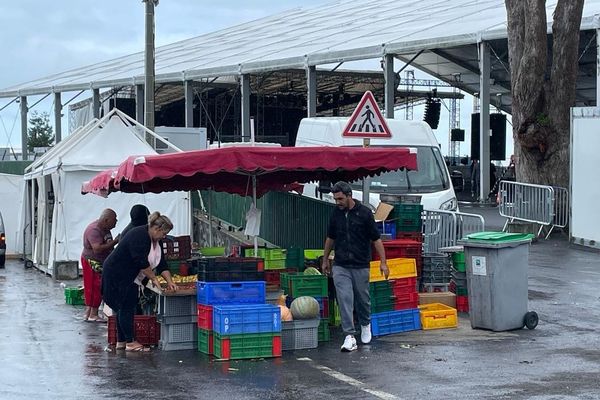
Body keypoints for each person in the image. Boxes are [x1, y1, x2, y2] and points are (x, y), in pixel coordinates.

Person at [321, 181, 388, 352]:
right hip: (341, 264)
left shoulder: (364, 213)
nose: (338, 202)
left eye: (340, 199)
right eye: (336, 199)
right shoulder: (335, 213)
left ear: (349, 195)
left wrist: (383, 262)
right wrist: (325, 259)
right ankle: (349, 335)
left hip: (360, 264)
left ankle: (365, 323)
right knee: (344, 298)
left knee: (362, 298)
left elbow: (376, 239)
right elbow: (330, 237)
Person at [101, 211, 178, 352]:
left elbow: (162, 264)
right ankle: (130, 342)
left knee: (123, 307)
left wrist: (170, 281)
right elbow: (141, 262)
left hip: (130, 276)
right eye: (164, 233)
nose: (164, 236)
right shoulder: (140, 236)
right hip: (118, 274)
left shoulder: (156, 240)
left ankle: (122, 341)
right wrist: (154, 279)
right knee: (126, 307)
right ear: (156, 229)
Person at [81, 209, 119, 322]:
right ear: (106, 220)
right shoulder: (94, 230)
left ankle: (89, 313)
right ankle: (93, 314)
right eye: (114, 219)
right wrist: (115, 241)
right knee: (94, 287)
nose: (116, 221)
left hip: (101, 261)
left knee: (95, 286)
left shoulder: (105, 228)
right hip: (92, 261)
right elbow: (97, 249)